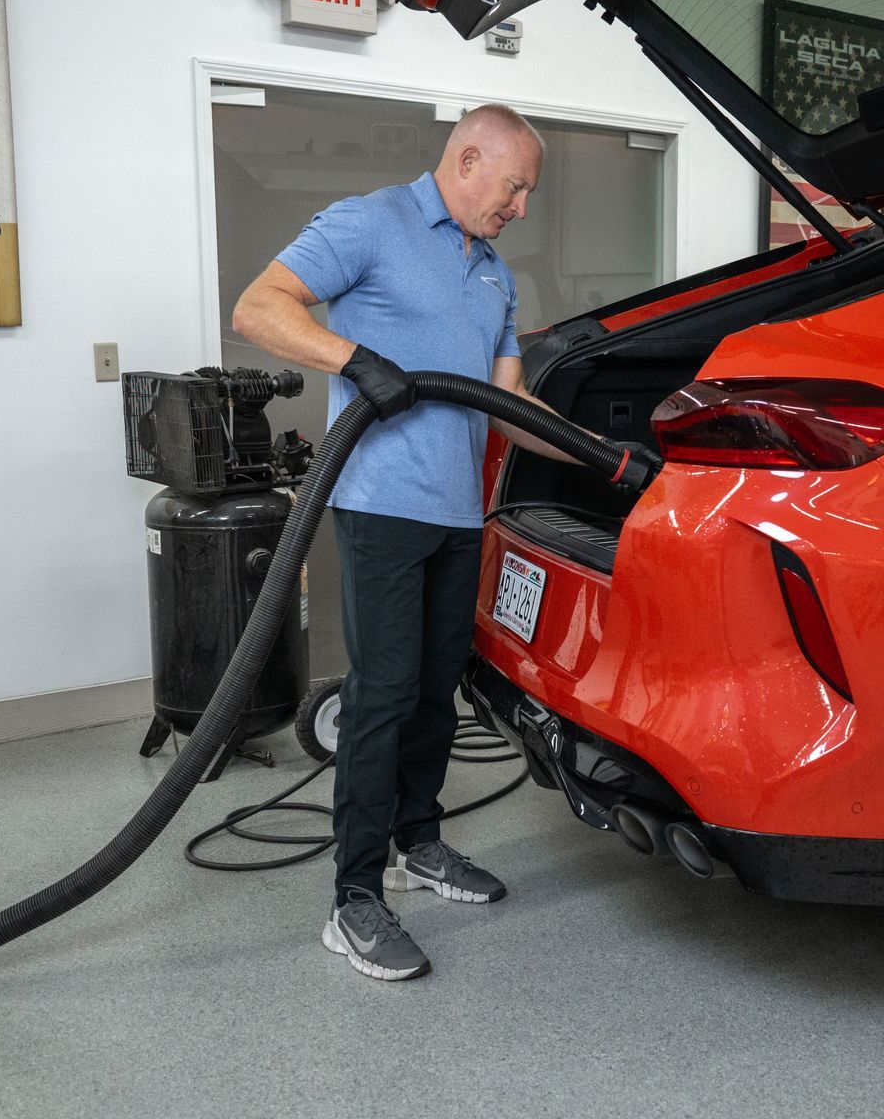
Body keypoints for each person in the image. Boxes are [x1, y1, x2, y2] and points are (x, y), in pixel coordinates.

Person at [233, 104, 646, 981]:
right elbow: (258, 308)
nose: (522, 206)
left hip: (459, 514)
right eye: (516, 186)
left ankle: (419, 845)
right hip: (381, 505)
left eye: (529, 191)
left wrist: (606, 460)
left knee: (433, 692)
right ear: (468, 159)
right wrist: (353, 360)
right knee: (381, 698)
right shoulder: (369, 221)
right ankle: (353, 900)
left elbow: (511, 405)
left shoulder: (496, 273)